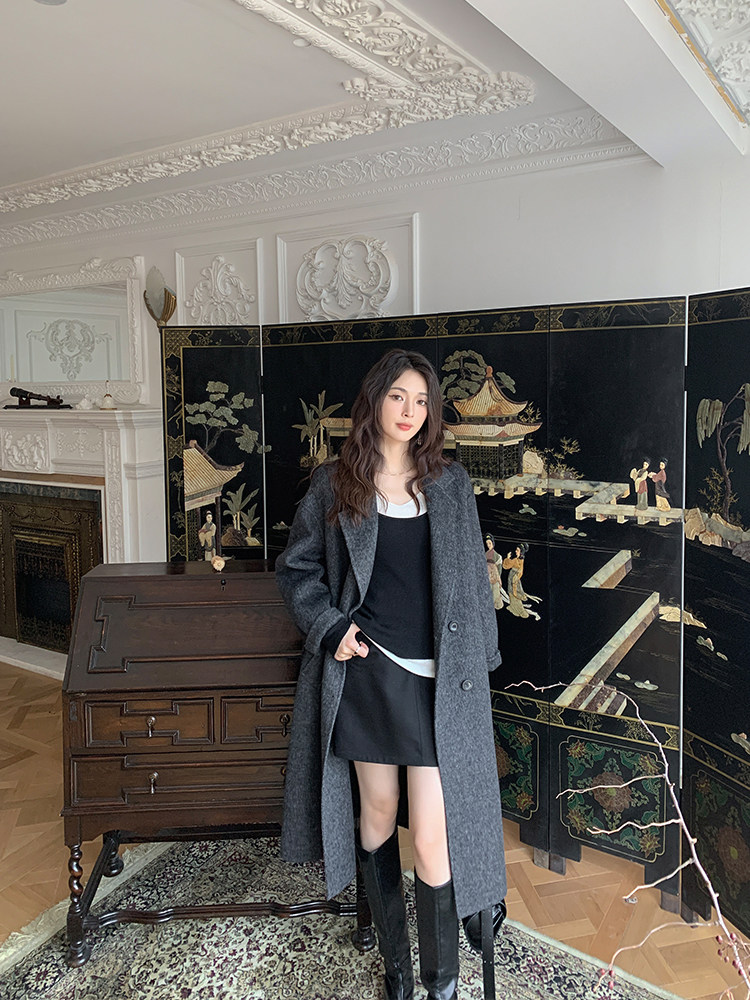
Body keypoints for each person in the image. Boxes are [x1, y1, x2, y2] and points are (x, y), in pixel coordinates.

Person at [275, 349, 505, 1000]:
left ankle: (442, 985)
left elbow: (473, 581)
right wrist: (331, 629)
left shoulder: (451, 485)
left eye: (422, 401)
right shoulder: (335, 483)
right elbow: (296, 570)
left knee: (432, 838)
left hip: (438, 682)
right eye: (399, 397)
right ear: (375, 399)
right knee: (376, 816)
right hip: (367, 673)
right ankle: (397, 972)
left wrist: (481, 664)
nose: (410, 411)